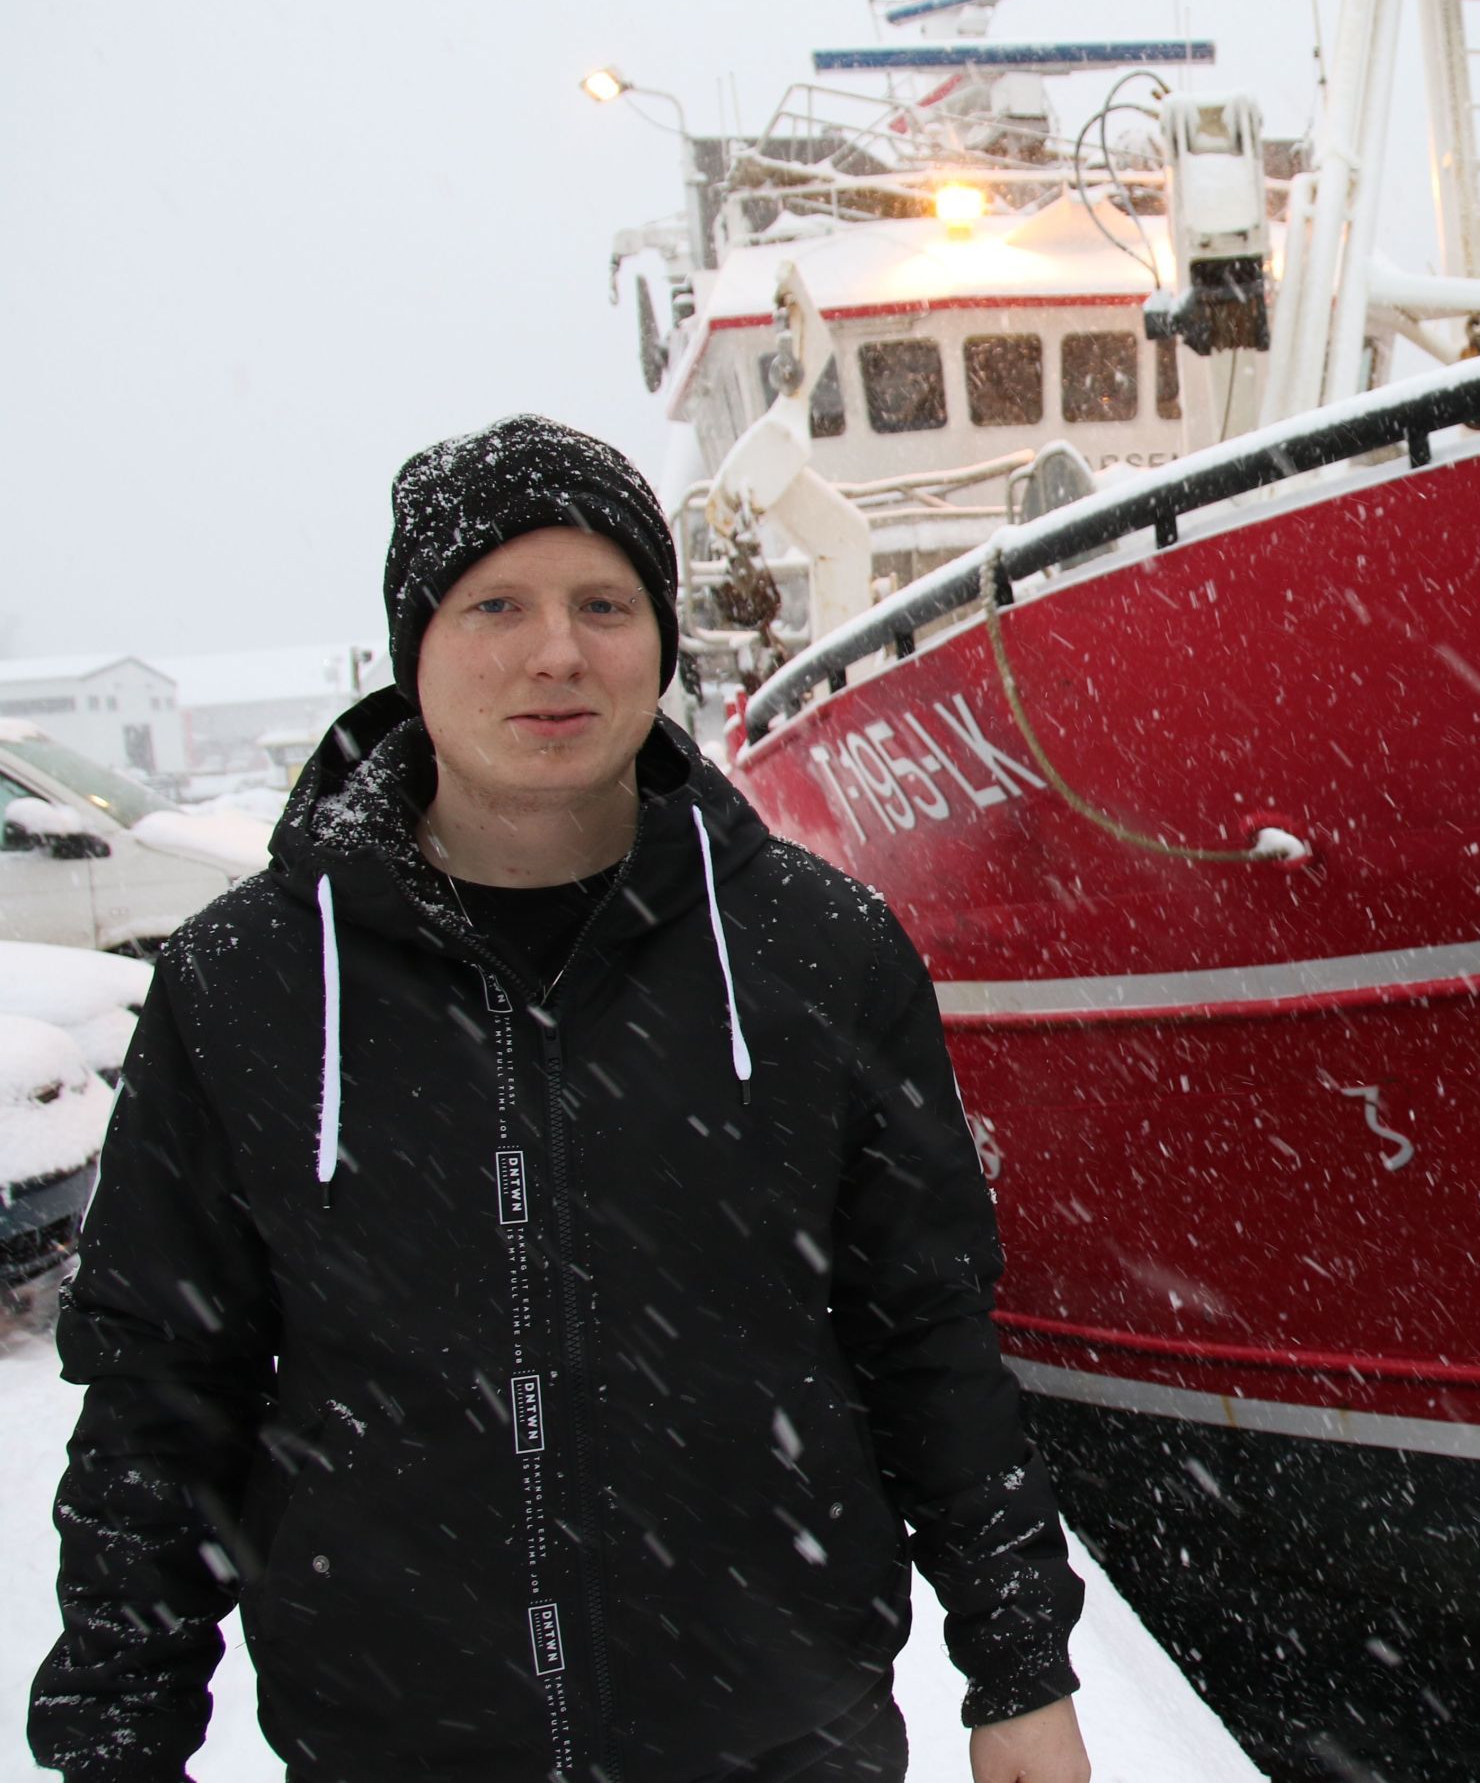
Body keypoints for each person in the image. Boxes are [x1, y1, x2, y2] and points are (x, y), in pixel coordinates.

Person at [29, 415, 1090, 1783]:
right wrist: (117, 1733)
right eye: (496, 606)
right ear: (413, 646)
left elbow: (927, 1337)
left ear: (659, 639)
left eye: (604, 603)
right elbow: (161, 1391)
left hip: (779, 1739)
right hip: (396, 1751)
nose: (557, 652)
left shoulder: (816, 954)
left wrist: (1020, 1665)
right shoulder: (249, 983)